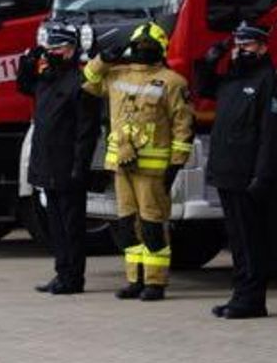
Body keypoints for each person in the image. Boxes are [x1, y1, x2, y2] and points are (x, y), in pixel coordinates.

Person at [82, 22, 193, 301]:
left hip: (152, 170)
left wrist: (176, 165)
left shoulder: (172, 82)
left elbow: (183, 127)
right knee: (125, 225)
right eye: (139, 42)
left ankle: (155, 282)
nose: (142, 47)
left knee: (152, 225)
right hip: (120, 166)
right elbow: (87, 82)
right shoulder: (116, 74)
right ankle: (135, 279)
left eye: (148, 43)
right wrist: (103, 58)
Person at [199, 22, 277, 319]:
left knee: (252, 240)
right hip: (227, 171)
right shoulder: (232, 79)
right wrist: (213, 57)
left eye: (247, 45)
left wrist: (262, 175)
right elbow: (203, 86)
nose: (241, 51)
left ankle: (252, 299)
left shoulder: (270, 80)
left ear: (263, 46)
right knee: (236, 239)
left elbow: (272, 134)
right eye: (238, 46)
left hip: (249, 175)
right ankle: (240, 294)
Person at [17, 27, 99, 295]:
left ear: (72, 50)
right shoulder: (47, 80)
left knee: (71, 225)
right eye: (49, 49)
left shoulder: (80, 83)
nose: (52, 53)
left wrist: (80, 166)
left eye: (58, 49)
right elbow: (23, 85)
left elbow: (86, 132)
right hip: (46, 164)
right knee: (55, 225)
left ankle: (74, 277)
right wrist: (27, 61)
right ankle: (61, 272)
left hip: (68, 166)